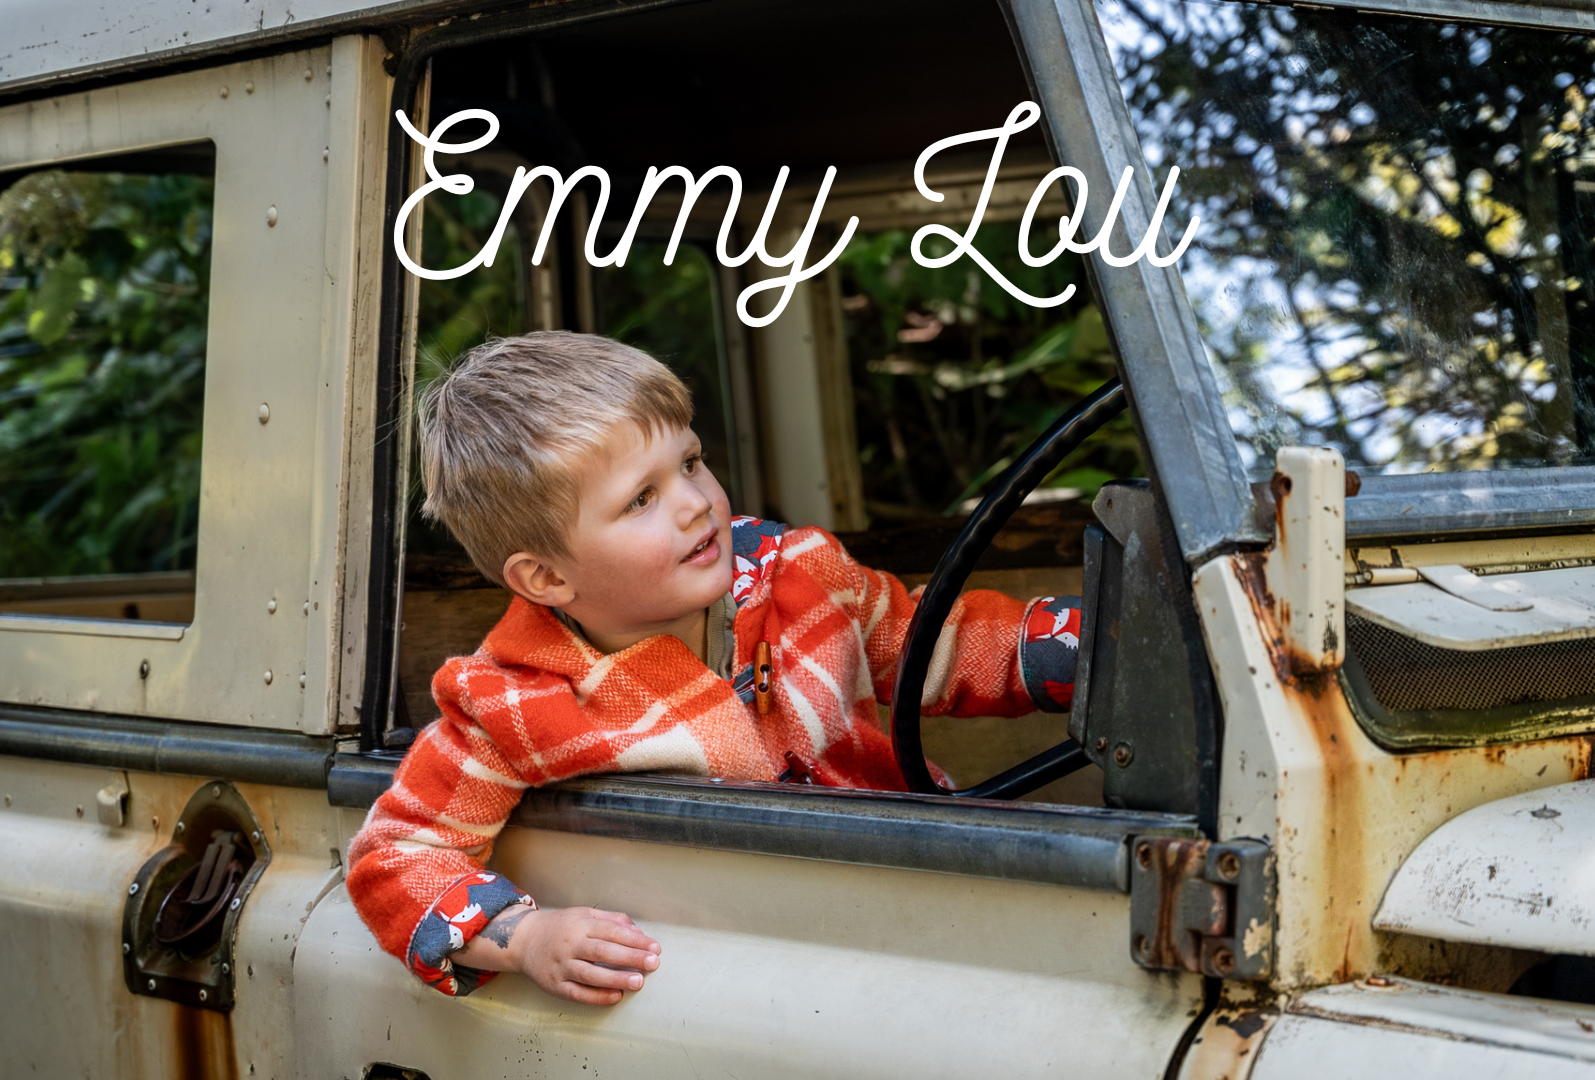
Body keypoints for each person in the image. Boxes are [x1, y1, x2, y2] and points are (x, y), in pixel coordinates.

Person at [346, 331, 1082, 1005]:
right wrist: (526, 939)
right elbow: (398, 856)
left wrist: (1079, 648)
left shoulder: (797, 575)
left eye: (691, 462)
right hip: (741, 962)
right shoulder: (513, 702)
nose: (698, 505)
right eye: (642, 498)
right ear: (545, 579)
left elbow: (934, 645)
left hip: (928, 892)